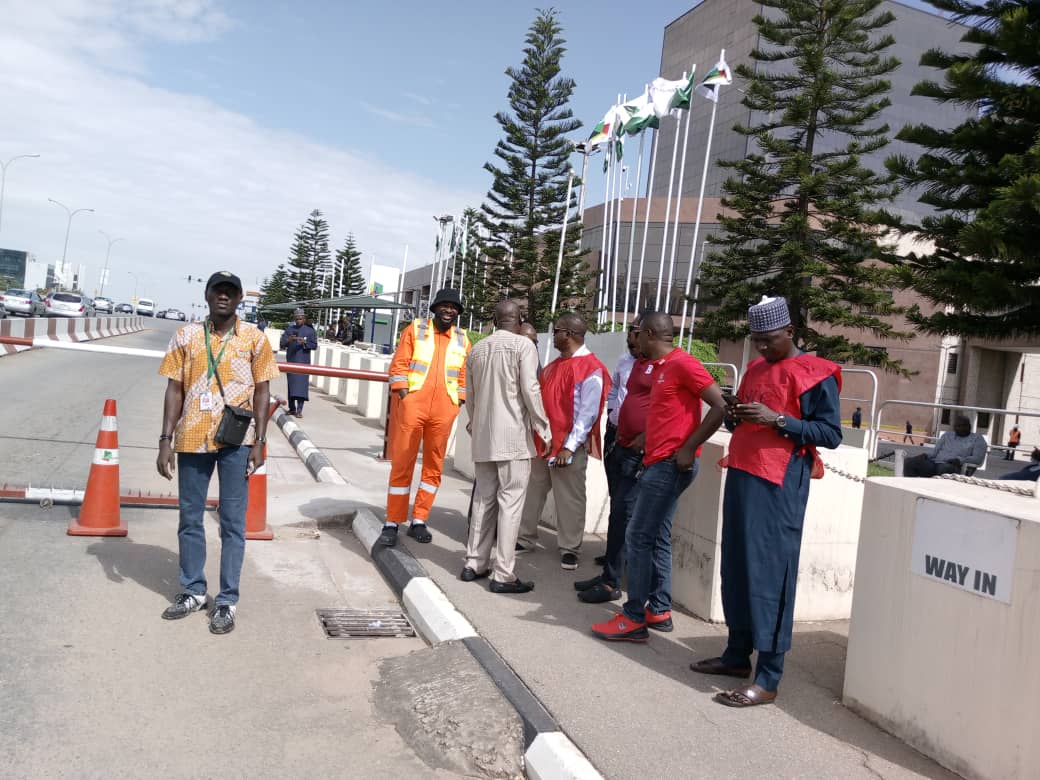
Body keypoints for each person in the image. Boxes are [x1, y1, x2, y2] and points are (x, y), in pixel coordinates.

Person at [690, 295, 842, 707]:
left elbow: (830, 433)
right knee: (737, 568)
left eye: (768, 339)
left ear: (790, 332)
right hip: (743, 471)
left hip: (779, 482)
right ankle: (737, 656)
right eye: (755, 339)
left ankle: (769, 675)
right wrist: (738, 413)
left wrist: (777, 420)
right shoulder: (757, 367)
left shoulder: (816, 373)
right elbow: (749, 415)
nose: (760, 347)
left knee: (770, 574)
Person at [155, 271, 280, 635]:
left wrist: (260, 441)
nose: (223, 297)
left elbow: (262, 391)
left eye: (230, 292)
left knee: (232, 522)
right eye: (217, 291)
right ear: (207, 295)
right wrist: (165, 439)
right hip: (192, 437)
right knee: (190, 517)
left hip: (236, 441)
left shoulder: (255, 339)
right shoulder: (186, 336)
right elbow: (174, 389)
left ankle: (226, 600)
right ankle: (193, 590)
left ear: (240, 298)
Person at [591, 312, 727, 640]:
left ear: (652, 334)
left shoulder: (683, 364)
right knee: (659, 536)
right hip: (656, 460)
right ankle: (659, 608)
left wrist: (689, 447)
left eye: (639, 334)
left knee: (638, 536)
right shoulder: (662, 368)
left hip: (669, 465)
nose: (634, 340)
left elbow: (721, 405)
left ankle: (634, 616)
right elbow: (668, 413)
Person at [461, 300, 551, 594]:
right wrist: (542, 426)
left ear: (494, 319)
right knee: (510, 505)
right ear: (520, 319)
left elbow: (470, 397)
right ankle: (503, 573)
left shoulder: (476, 349)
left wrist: (475, 425)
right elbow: (530, 389)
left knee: (482, 501)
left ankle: (473, 562)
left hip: (484, 438)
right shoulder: (523, 347)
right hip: (512, 439)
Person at [517, 313, 610, 569]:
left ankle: (570, 548)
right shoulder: (553, 366)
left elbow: (588, 413)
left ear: (568, 334)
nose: (554, 334)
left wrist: (569, 447)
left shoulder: (591, 369)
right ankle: (525, 537)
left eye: (556, 330)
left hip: (567, 448)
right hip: (543, 443)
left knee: (569, 499)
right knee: (533, 492)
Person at [381, 288, 470, 547]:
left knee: (433, 467)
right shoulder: (416, 329)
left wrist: (458, 402)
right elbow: (399, 364)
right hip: (413, 406)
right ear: (435, 308)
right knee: (402, 463)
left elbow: (463, 375)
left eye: (454, 307)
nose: (449, 310)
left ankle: (419, 519)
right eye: (444, 305)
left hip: (444, 410)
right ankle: (392, 521)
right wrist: (405, 396)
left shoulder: (462, 339)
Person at [575, 314, 650, 603]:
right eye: (631, 333)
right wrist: (611, 415)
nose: (632, 339)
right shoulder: (624, 362)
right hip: (616, 437)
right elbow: (616, 391)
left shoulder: (659, 368)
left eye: (636, 333)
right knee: (617, 504)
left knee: (626, 510)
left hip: (638, 445)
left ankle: (614, 580)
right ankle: (610, 568)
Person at [903, 416, 987, 477]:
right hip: (935, 463)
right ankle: (912, 487)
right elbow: (934, 453)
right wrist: (925, 455)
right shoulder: (947, 435)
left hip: (955, 467)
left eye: (963, 426)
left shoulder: (977, 439)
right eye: (957, 426)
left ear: (969, 426)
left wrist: (960, 460)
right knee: (910, 462)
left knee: (943, 468)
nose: (959, 428)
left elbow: (977, 459)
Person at [604, 320, 640, 458]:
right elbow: (615, 387)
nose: (630, 346)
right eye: (628, 340)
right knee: (612, 474)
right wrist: (611, 411)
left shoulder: (656, 365)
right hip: (614, 428)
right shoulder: (624, 360)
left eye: (634, 341)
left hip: (636, 436)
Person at [279, 308, 317, 418]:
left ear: (304, 318)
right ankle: (292, 409)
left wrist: (305, 342)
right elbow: (281, 344)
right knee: (291, 386)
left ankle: (300, 410)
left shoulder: (310, 331)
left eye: (300, 318)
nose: (298, 320)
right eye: (296, 319)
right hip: (291, 361)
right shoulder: (289, 329)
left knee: (301, 387)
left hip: (303, 363)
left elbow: (314, 345)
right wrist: (288, 340)